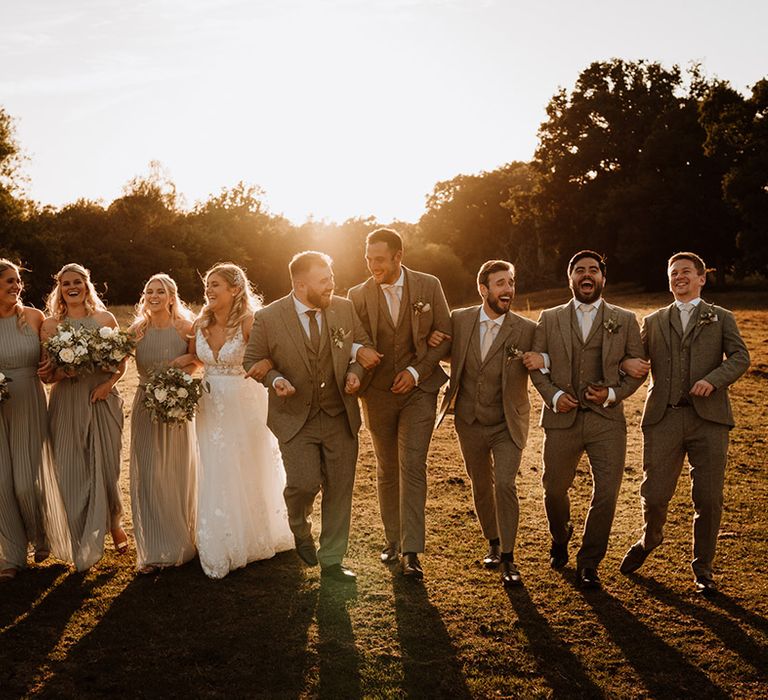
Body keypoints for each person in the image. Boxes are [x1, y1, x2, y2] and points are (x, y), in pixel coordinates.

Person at [618, 252, 749, 594]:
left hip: (710, 421)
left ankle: (703, 568)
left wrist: (715, 380)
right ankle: (650, 537)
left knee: (708, 498)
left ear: (702, 278)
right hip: (664, 418)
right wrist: (624, 369)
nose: (679, 277)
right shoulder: (655, 320)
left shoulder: (721, 318)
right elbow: (636, 359)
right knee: (655, 493)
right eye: (673, 272)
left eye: (686, 272)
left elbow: (740, 357)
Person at [243, 251, 371, 583]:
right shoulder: (269, 317)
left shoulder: (343, 308)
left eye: (331, 277)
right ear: (301, 285)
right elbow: (253, 359)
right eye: (324, 280)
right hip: (295, 417)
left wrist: (356, 372)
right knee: (302, 483)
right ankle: (299, 525)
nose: (332, 284)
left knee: (340, 488)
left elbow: (361, 345)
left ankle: (331, 560)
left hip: (339, 414)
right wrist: (275, 380)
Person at [527, 250, 645, 589]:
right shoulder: (549, 318)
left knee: (606, 493)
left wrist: (612, 395)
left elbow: (637, 367)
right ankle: (560, 535)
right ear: (570, 277)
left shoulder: (624, 318)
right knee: (553, 490)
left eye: (593, 269)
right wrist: (552, 396)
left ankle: (589, 562)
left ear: (603, 278)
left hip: (605, 421)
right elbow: (537, 366)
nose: (587, 275)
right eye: (580, 270)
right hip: (561, 419)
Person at [348, 228, 451, 580]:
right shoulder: (357, 294)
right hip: (376, 394)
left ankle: (411, 551)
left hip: (420, 391)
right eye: (368, 258)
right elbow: (356, 340)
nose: (372, 265)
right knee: (387, 467)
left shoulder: (428, 285)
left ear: (398, 256)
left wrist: (415, 371)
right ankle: (392, 539)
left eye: (379, 259)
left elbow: (444, 333)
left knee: (412, 465)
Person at [435, 260, 536, 587]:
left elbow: (549, 359)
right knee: (481, 484)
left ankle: (508, 558)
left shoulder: (525, 329)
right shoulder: (460, 320)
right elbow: (445, 351)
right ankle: (493, 543)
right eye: (500, 283)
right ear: (484, 289)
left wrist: (543, 360)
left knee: (504, 484)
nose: (508, 289)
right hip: (469, 419)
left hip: (507, 421)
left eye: (511, 282)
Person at [192, 263, 293, 580]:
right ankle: (221, 537)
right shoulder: (201, 321)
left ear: (235, 289)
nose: (209, 290)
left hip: (244, 401)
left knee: (247, 464)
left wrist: (265, 363)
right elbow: (196, 358)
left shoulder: (251, 321)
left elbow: (273, 356)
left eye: (216, 284)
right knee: (216, 466)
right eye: (208, 285)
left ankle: (253, 536)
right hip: (209, 403)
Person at [39, 263, 128, 571]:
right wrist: (65, 370)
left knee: (107, 467)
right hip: (67, 402)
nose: (72, 287)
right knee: (72, 469)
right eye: (66, 284)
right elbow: (48, 375)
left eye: (77, 282)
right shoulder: (50, 326)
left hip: (101, 398)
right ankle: (81, 541)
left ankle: (113, 520)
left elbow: (120, 363)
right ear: (60, 290)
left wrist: (108, 384)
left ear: (87, 286)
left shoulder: (105, 319)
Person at [128, 274, 198, 575]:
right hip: (145, 404)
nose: (154, 296)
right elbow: (117, 362)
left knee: (175, 469)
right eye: (149, 291)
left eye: (161, 291)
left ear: (172, 297)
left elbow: (200, 359)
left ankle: (181, 540)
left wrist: (184, 364)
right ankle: (153, 549)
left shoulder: (185, 328)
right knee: (148, 472)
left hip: (177, 406)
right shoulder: (137, 330)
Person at [0, 260, 65, 581]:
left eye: (17, 281)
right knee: (1, 483)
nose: (16, 286)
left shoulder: (34, 317)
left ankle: (41, 536)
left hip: (29, 402)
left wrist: (52, 367)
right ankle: (11, 556)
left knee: (26, 483)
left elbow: (47, 368)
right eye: (9, 281)